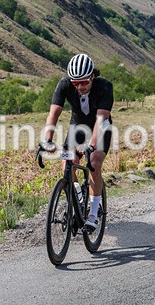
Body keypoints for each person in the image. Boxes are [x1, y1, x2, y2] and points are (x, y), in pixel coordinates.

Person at [41, 53, 113, 230]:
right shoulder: (64, 84)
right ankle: (79, 198)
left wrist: (91, 146)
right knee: (68, 160)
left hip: (100, 126)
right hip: (78, 126)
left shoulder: (104, 86)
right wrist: (46, 140)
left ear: (92, 76)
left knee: (94, 162)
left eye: (84, 82)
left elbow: (101, 120)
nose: (79, 86)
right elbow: (54, 114)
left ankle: (94, 214)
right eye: (75, 83)